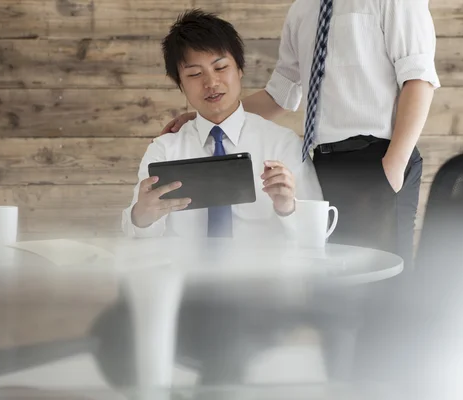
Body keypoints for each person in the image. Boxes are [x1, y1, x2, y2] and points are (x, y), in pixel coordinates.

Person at [94, 9, 324, 386]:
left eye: (220, 67)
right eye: (194, 74)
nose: (211, 82)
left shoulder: (282, 144)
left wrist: (288, 208)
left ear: (240, 70)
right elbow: (135, 238)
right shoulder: (165, 149)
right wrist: (143, 216)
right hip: (184, 294)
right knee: (111, 331)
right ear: (180, 86)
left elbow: (316, 241)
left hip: (258, 296)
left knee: (224, 338)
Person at [162, 0, 440, 270]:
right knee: (334, 280)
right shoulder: (302, 9)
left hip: (378, 160)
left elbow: (419, 79)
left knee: (384, 279)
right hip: (321, 167)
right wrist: (212, 117)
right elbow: (279, 96)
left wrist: (392, 167)